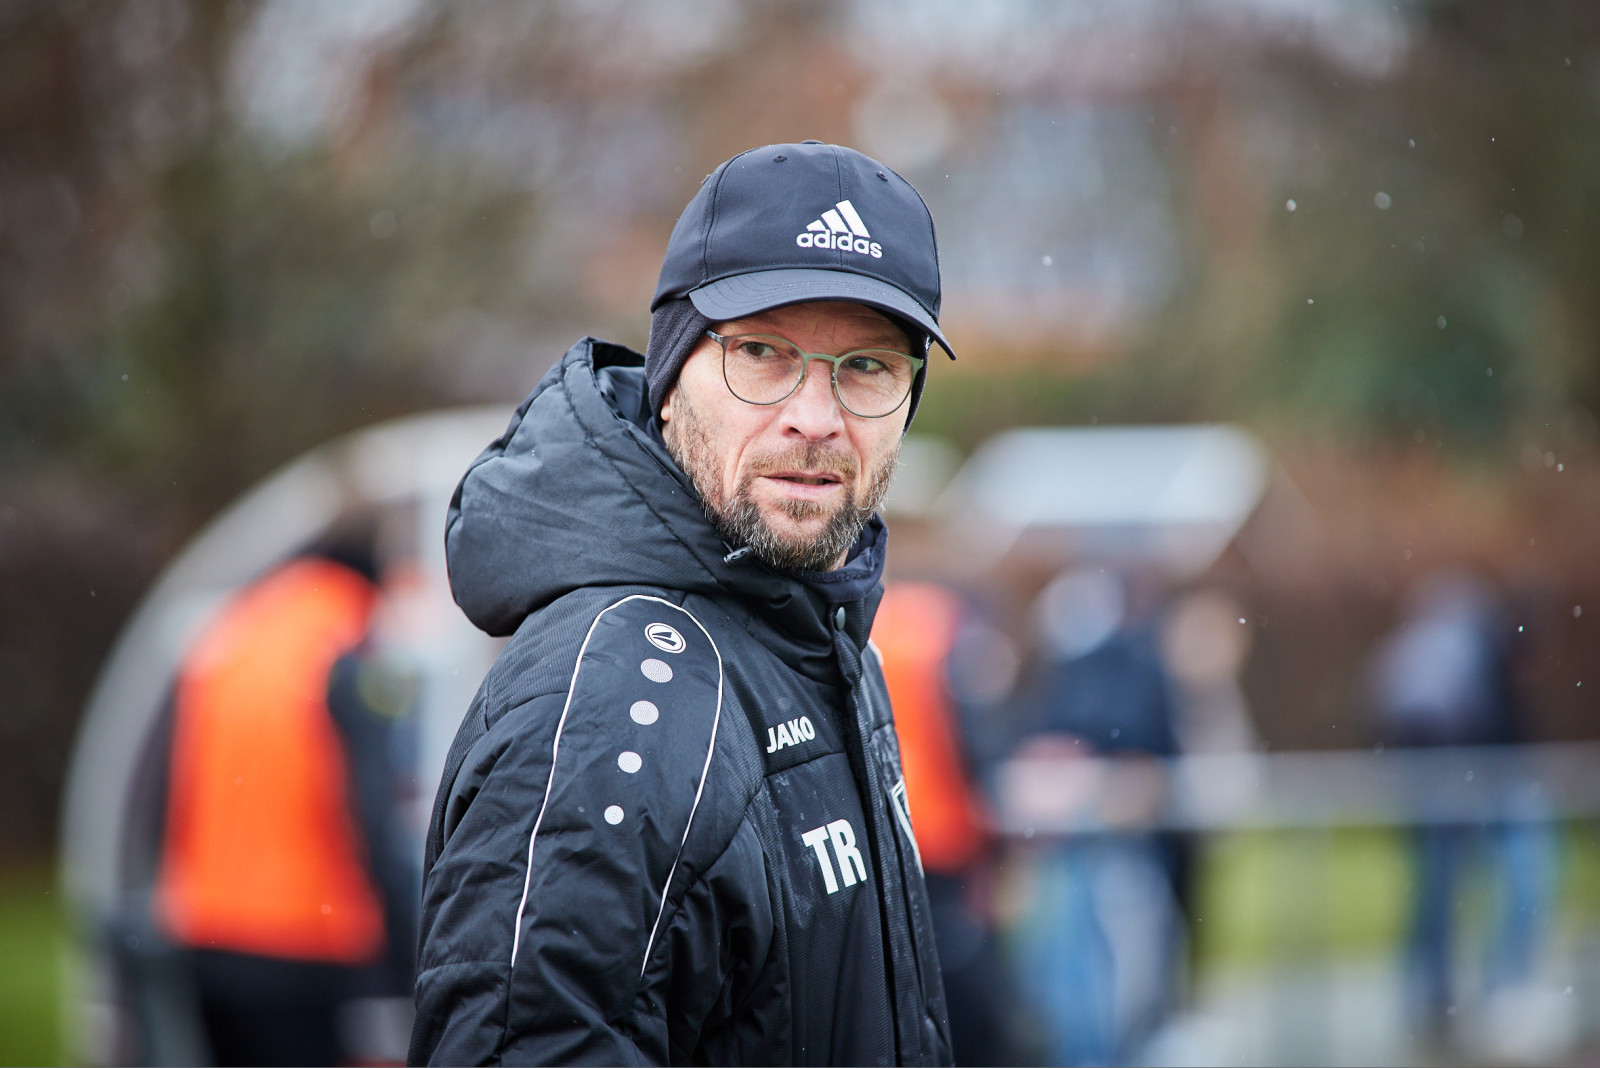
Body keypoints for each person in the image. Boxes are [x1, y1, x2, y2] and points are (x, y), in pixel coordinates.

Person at [410, 141, 956, 1066]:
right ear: (670, 378)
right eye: (761, 354)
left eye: (866, 367)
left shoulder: (811, 632)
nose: (815, 418)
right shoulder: (614, 695)